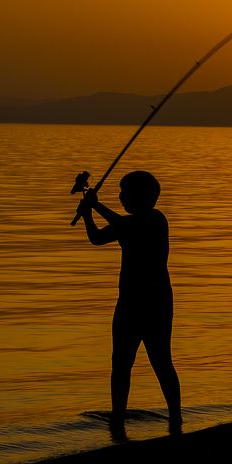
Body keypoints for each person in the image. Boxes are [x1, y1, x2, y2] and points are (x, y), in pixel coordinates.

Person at [77, 170, 182, 439]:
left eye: (125, 193)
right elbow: (97, 238)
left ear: (142, 196)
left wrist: (95, 204)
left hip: (154, 301)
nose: (121, 197)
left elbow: (124, 226)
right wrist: (89, 212)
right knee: (120, 362)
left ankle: (176, 417)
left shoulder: (155, 220)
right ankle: (118, 419)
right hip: (128, 301)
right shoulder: (129, 222)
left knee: (161, 361)